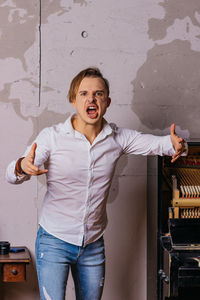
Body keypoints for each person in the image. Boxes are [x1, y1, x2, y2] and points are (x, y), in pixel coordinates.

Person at [5, 67, 187, 300]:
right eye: (83, 93)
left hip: (92, 244)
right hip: (54, 242)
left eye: (98, 93)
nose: (91, 98)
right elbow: (11, 175)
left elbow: (163, 145)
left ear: (107, 101)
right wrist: (22, 166)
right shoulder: (52, 137)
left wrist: (180, 146)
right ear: (73, 100)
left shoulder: (117, 138)